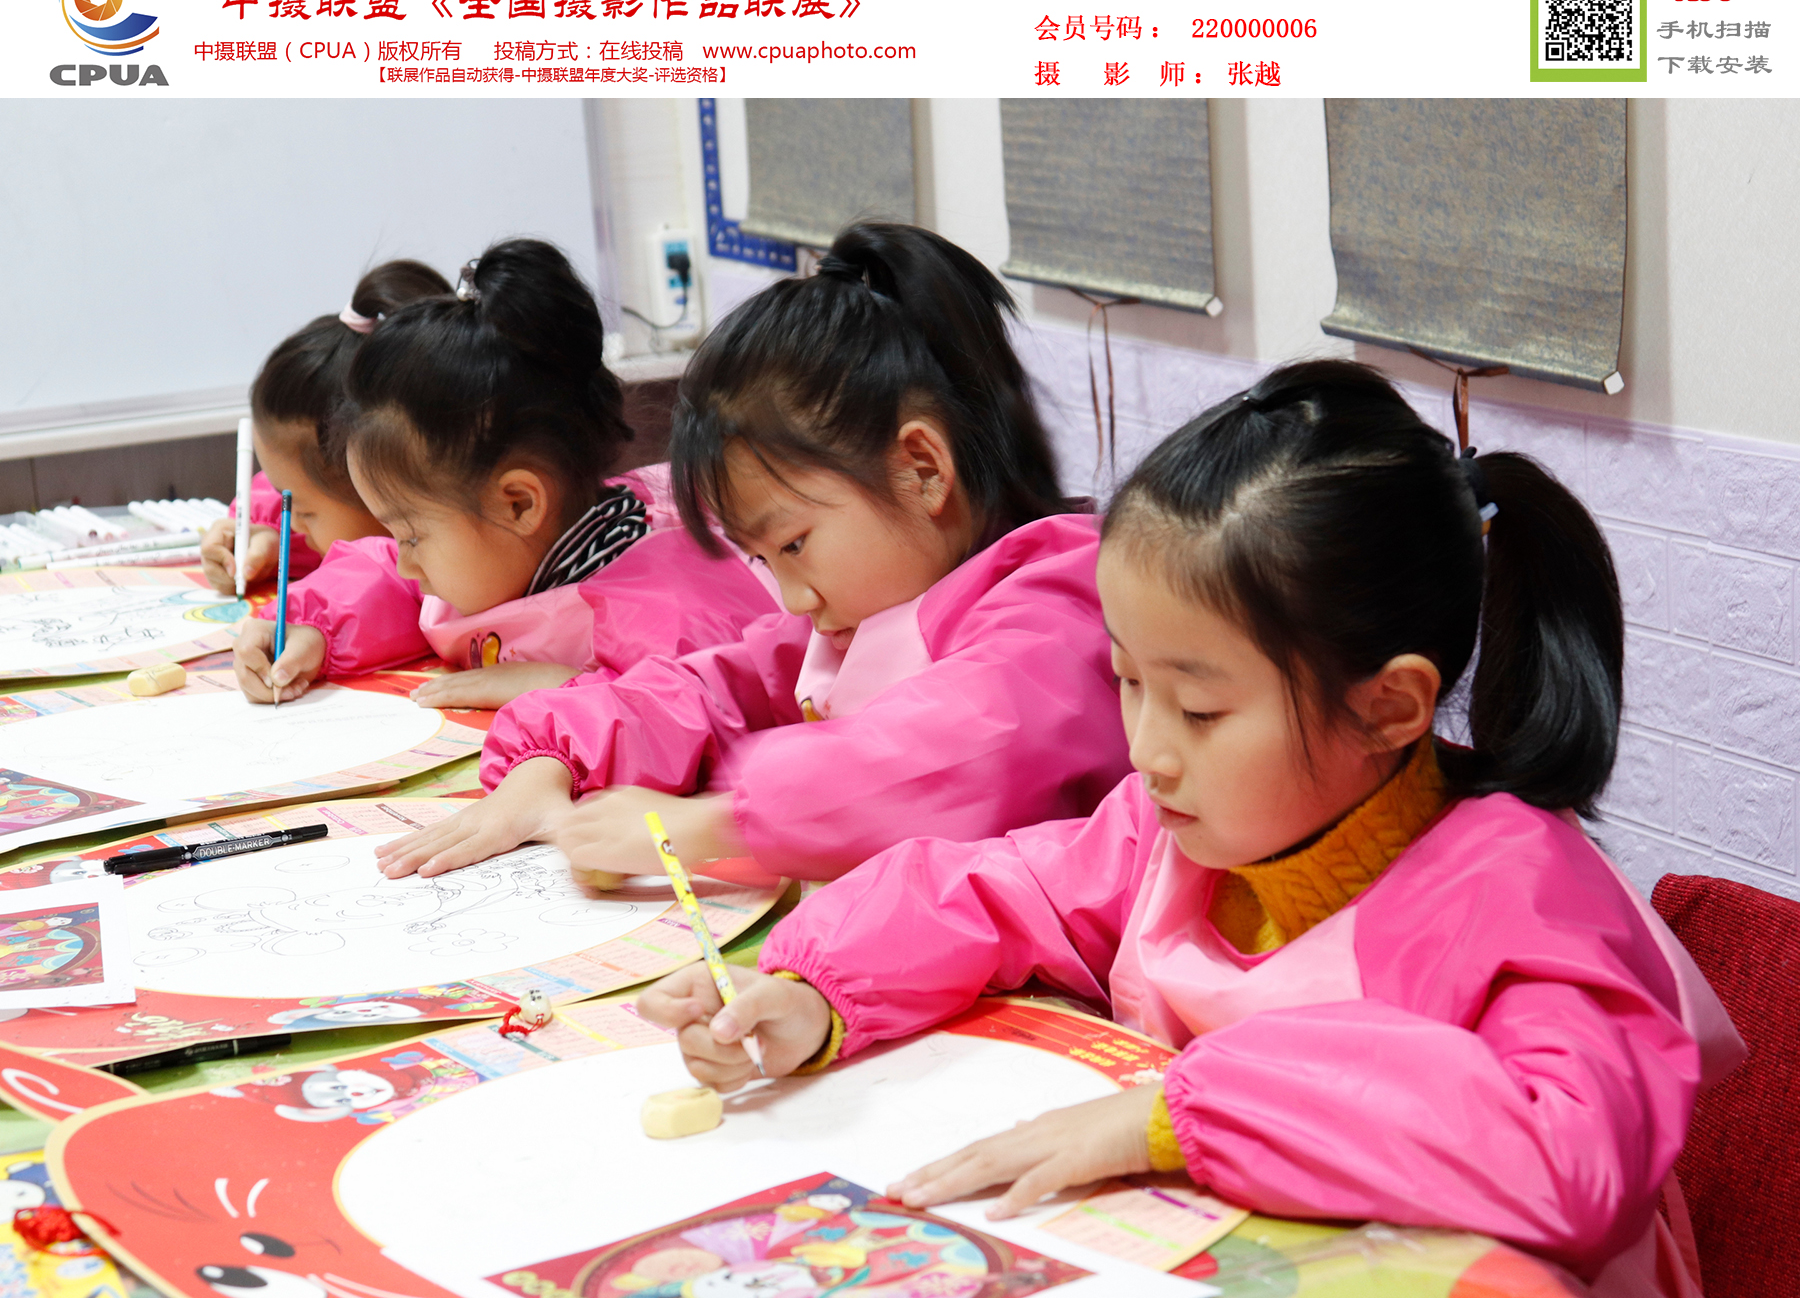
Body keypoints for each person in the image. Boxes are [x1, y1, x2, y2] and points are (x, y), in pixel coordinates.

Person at [641, 361, 1744, 1297]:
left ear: (1389, 706)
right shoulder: (1168, 830)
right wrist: (818, 991)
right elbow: (1004, 889)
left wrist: (1169, 1120)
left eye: (1201, 710)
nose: (1149, 750)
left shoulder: (1523, 896)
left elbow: (1567, 1156)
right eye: (1129, 682)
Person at [374, 222, 1131, 881]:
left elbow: (953, 754)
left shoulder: (1055, 613)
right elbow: (707, 689)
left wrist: (712, 824)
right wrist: (551, 761)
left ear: (922, 470)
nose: (792, 597)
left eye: (795, 543)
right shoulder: (851, 622)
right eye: (765, 560)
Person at [232, 239, 778, 710]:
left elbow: (709, 706)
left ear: (519, 503)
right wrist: (315, 627)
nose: (403, 559)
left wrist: (564, 686)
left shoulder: (671, 614)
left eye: (412, 536)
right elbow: (395, 582)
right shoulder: (510, 551)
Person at [200, 261, 450, 594]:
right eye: (287, 505)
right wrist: (269, 540)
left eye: (303, 512)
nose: (295, 526)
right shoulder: (333, 505)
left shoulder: (450, 587)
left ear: (380, 490)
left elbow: (374, 580)